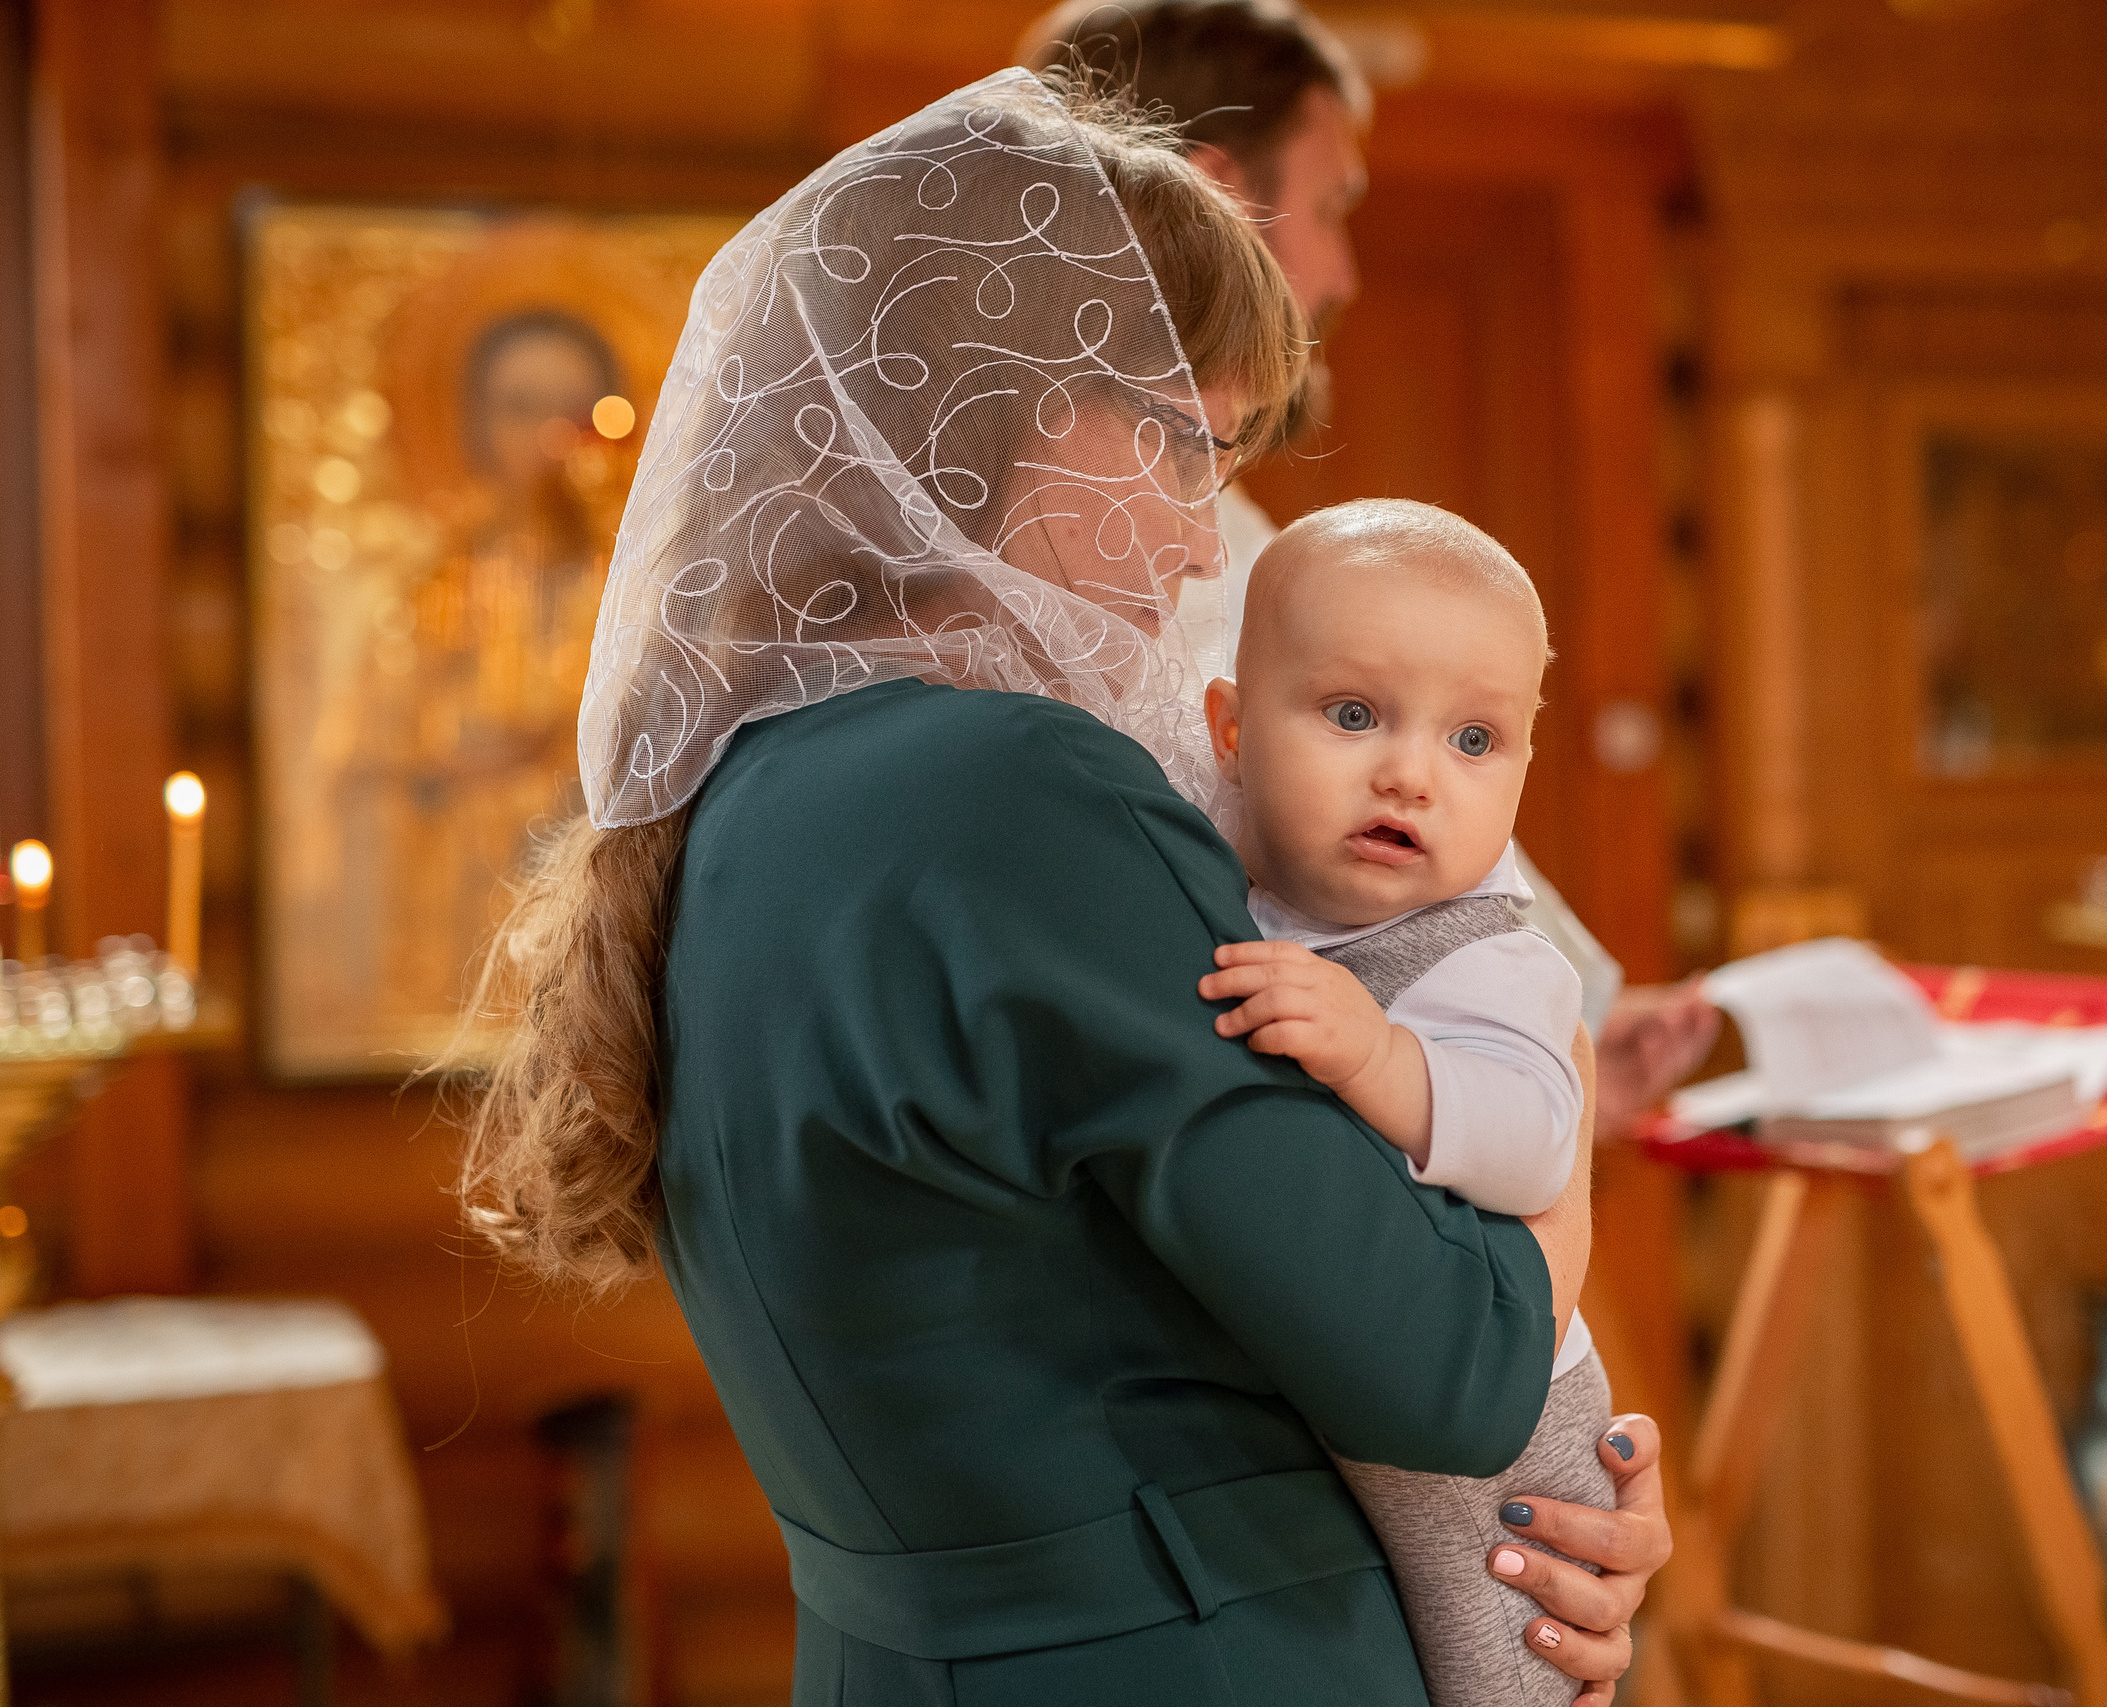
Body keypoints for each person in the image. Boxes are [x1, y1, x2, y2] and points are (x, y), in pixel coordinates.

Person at [449, 69, 1666, 1707]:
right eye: (1182, 445)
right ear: (986, 407)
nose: (1191, 543)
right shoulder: (1022, 794)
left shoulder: (734, 798)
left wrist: (1533, 1536)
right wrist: (1557, 1125)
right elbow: (1447, 1364)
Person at [1019, 0, 1720, 1133]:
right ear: (1221, 198)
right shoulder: (1141, 538)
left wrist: (1576, 1014)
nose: (1343, 271)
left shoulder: (1184, 509)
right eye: (1336, 206)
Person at [1199, 498, 1614, 1707]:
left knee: (1501, 1664)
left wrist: (1381, 1057)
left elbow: (1538, 1145)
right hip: (1343, 1400)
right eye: (1351, 714)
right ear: (1228, 728)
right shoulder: (1215, 879)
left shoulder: (1484, 957)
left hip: (1504, 1425)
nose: (1410, 772)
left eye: (1474, 741)